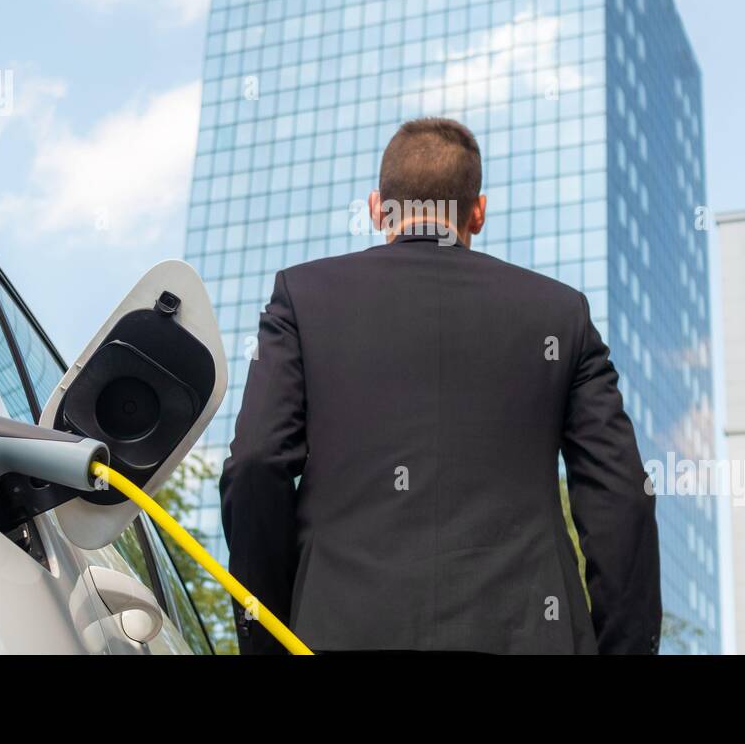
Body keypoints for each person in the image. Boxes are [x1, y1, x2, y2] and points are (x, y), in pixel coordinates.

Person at [220, 117, 660, 654]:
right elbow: (623, 499)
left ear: (377, 207)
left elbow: (255, 464)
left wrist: (272, 638)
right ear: (478, 211)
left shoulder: (302, 298)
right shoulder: (560, 313)